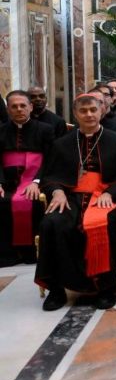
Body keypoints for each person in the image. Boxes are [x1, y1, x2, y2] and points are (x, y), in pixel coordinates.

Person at [35, 93, 116, 311]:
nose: (89, 114)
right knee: (51, 224)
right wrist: (57, 191)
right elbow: (49, 176)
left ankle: (105, 289)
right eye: (83, 111)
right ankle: (56, 289)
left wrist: (112, 192)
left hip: (104, 198)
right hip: (71, 198)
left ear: (101, 110)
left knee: (106, 225)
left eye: (93, 109)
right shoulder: (61, 144)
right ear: (75, 114)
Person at [0, 91, 54, 266]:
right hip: (7, 184)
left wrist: (37, 181)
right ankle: (8, 255)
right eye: (14, 106)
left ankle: (33, 253)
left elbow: (51, 159)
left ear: (30, 107)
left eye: (23, 105)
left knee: (34, 201)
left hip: (36, 182)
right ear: (7, 109)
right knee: (2, 202)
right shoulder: (1, 131)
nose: (19, 109)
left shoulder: (46, 130)